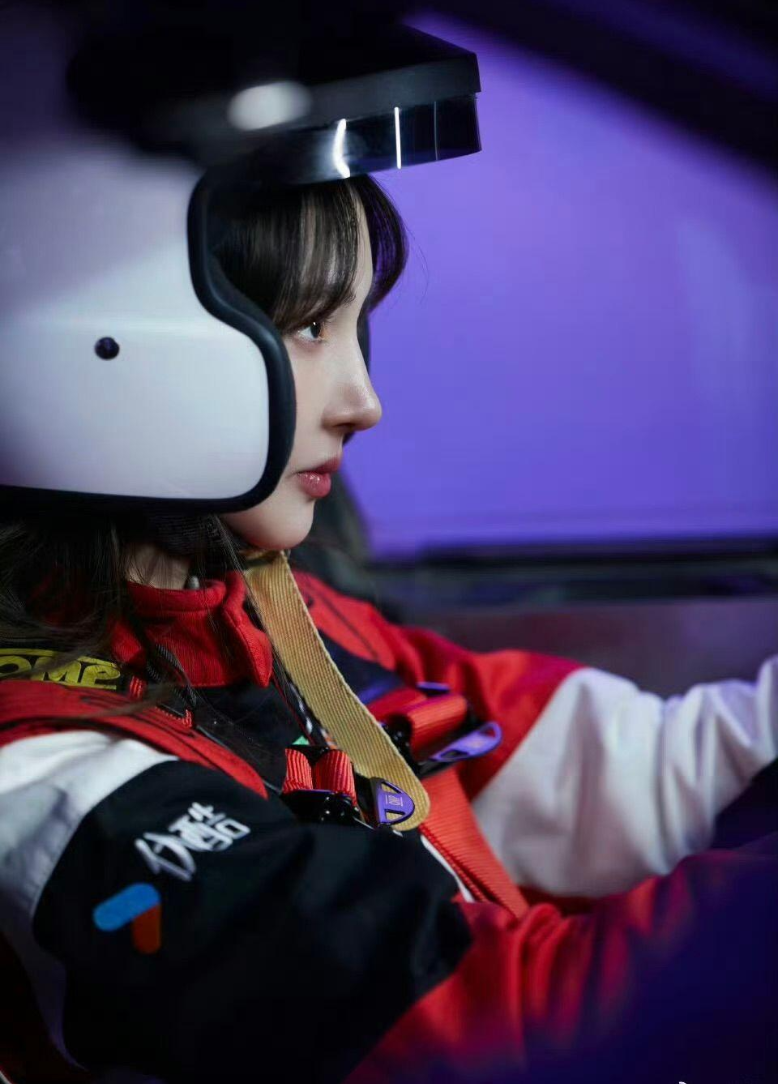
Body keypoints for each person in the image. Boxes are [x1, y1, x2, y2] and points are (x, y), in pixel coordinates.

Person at [0, 175, 776, 1084]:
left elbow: (658, 773)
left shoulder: (280, 614)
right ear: (109, 343)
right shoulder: (42, 776)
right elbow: (493, 1030)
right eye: (308, 327)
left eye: (352, 325)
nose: (363, 403)